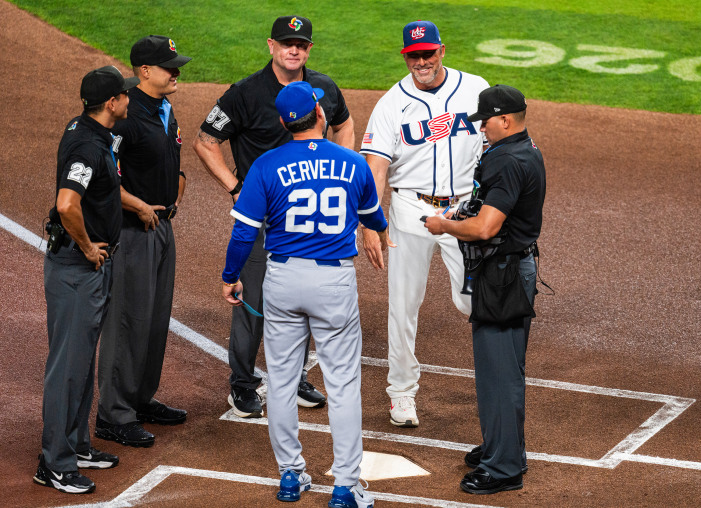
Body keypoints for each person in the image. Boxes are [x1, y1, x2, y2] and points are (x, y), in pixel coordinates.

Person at [221, 81, 386, 507]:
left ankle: (291, 476)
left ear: (282, 122)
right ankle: (347, 487)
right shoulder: (352, 163)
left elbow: (243, 232)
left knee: (280, 380)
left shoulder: (265, 164)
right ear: (319, 114)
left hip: (282, 279)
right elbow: (375, 219)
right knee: (344, 384)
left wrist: (230, 275)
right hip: (333, 282)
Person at [194, 15, 354, 418]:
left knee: (300, 301)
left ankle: (296, 376)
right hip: (263, 222)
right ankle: (242, 384)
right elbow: (205, 141)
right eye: (286, 42)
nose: (293, 49)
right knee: (253, 303)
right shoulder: (245, 94)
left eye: (300, 43)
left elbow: (345, 124)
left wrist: (343, 165)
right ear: (271, 45)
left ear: (309, 49)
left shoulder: (325, 89)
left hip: (308, 222)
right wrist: (238, 188)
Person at [359, 20, 489, 427]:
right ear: (405, 57)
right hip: (409, 210)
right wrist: (370, 222)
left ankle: (494, 378)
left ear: (442, 51)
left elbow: (498, 143)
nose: (421, 62)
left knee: (477, 299)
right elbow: (376, 166)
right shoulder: (390, 104)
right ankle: (401, 393)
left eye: (427, 53)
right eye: (413, 55)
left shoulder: (475, 89)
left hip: (464, 210)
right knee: (403, 305)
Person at [424, 84, 546, 494]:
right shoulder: (525, 148)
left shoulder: (508, 161)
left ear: (505, 120)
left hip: (504, 275)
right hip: (512, 269)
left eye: (486, 121)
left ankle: (504, 467)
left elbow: (485, 227)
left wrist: (443, 225)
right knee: (505, 368)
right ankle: (505, 447)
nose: (482, 129)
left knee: (498, 373)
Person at [35, 66, 138, 494]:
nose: (129, 99)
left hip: (88, 270)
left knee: (81, 363)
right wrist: (87, 246)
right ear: (111, 103)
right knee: (69, 369)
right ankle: (54, 463)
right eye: (125, 95)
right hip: (78, 271)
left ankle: (76, 445)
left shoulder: (87, 129)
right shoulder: (87, 147)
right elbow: (66, 204)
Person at [96, 35, 191, 448]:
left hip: (161, 228)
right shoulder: (127, 115)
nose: (177, 72)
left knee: (154, 321)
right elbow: (103, 176)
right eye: (170, 67)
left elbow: (176, 165)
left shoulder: (165, 109)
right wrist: (141, 206)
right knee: (128, 322)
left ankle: (140, 399)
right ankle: (113, 414)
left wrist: (172, 201)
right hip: (134, 233)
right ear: (145, 71)